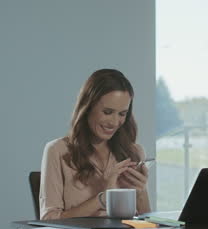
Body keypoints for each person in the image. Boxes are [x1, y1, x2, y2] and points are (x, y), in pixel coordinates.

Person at [40, 69, 151, 220]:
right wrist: (104, 198)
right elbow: (49, 219)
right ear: (88, 107)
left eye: (122, 114)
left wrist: (140, 193)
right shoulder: (57, 151)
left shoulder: (134, 152)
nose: (114, 122)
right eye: (107, 112)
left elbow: (147, 223)